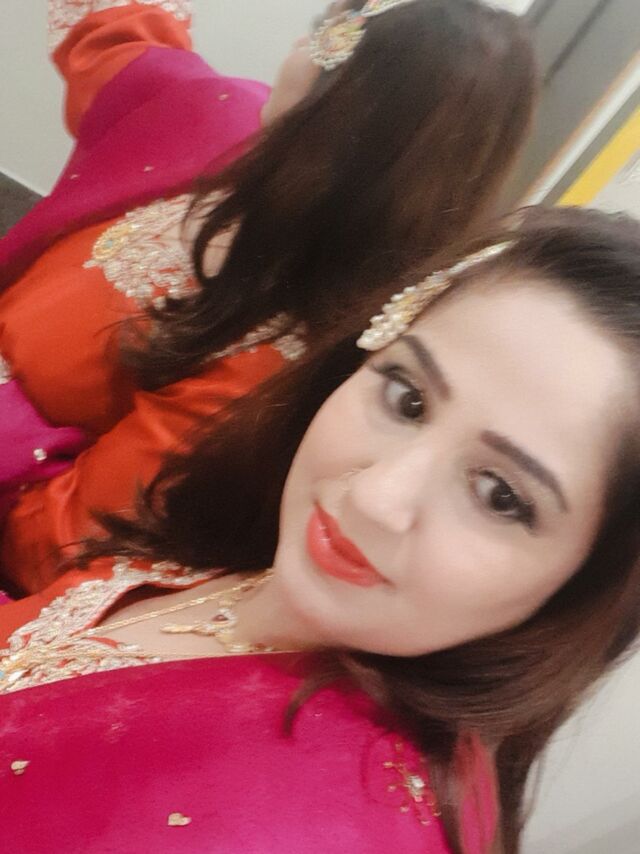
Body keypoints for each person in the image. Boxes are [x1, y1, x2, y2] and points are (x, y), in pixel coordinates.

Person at [2, 205, 640, 854]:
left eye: (499, 495)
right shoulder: (263, 553)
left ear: (589, 580)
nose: (374, 495)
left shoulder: (338, 828)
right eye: (407, 399)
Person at [0, 0, 537, 594]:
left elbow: (61, 545)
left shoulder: (267, 359)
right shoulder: (222, 121)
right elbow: (120, 38)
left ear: (339, 84)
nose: (297, 49)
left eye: (316, 34)